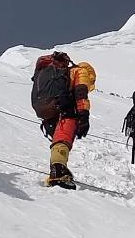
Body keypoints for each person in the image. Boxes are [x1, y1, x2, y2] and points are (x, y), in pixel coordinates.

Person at [30, 51, 96, 189]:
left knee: (58, 141)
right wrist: (84, 116)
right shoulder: (81, 71)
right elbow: (80, 93)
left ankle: (56, 169)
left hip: (48, 110)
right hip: (66, 110)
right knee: (63, 139)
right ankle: (58, 172)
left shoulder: (54, 73)